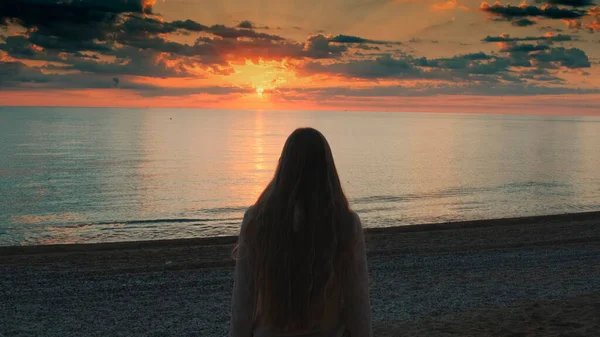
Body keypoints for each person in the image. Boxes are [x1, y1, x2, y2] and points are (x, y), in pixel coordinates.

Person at [229, 128, 372, 337]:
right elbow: (357, 302)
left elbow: (243, 300)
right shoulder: (345, 223)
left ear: (284, 166)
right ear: (327, 167)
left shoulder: (257, 220)